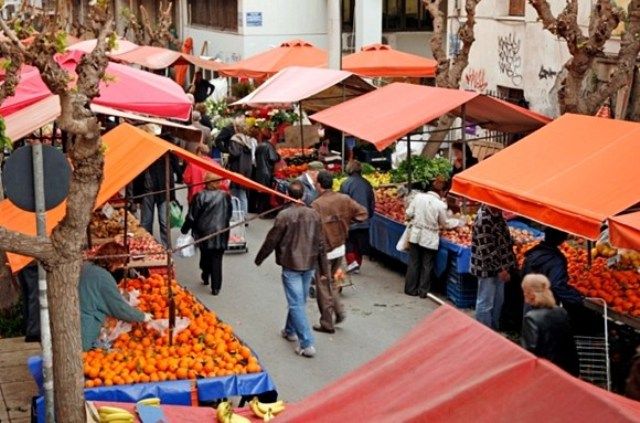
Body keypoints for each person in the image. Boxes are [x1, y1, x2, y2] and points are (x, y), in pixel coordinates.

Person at [254, 180, 330, 358]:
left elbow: (272, 240)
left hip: (291, 265)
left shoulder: (284, 215)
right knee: (298, 301)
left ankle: (307, 343)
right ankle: (290, 330)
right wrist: (324, 270)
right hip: (309, 263)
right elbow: (321, 244)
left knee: (296, 303)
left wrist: (260, 258)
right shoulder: (314, 214)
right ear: (303, 195)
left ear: (287, 195)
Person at [311, 170, 368, 333]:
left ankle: (327, 322)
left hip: (325, 252)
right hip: (340, 248)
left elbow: (312, 229)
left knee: (323, 286)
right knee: (331, 283)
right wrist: (347, 223)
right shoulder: (344, 199)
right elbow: (363, 213)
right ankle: (339, 311)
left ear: (319, 185)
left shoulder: (317, 204)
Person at [80, 242, 151, 351]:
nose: (119, 266)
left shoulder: (86, 266)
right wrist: (142, 316)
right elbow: (118, 307)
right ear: (113, 261)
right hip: (85, 327)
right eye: (119, 263)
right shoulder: (103, 277)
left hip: (75, 318)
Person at [522, 227, 587, 332]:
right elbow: (557, 285)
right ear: (562, 239)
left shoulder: (532, 254)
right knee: (545, 335)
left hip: (530, 302)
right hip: (546, 304)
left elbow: (523, 275)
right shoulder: (557, 260)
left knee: (531, 333)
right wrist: (577, 297)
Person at [181, 173, 232, 295]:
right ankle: (216, 287)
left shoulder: (200, 196)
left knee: (205, 255)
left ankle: (205, 274)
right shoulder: (225, 196)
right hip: (221, 231)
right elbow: (229, 213)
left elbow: (192, 217)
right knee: (217, 259)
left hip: (204, 232)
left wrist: (185, 229)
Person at [521, 274, 579, 376]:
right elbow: (570, 345)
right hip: (566, 371)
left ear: (531, 294)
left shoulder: (531, 318)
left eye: (525, 291)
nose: (524, 294)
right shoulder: (561, 312)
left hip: (545, 373)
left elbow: (530, 353)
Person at [470, 204, 515, 330]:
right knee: (485, 302)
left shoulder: (497, 214)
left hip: (500, 266)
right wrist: (500, 269)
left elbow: (502, 239)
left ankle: (493, 329)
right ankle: (483, 331)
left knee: (497, 301)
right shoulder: (483, 219)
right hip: (487, 268)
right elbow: (486, 249)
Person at [404, 181, 449, 298]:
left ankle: (410, 289)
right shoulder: (440, 205)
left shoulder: (418, 197)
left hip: (415, 234)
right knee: (427, 264)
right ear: (442, 192)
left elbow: (408, 213)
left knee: (414, 262)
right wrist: (456, 222)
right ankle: (423, 291)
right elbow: (444, 223)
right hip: (430, 237)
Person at [340, 160, 375, 274]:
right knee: (359, 244)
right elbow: (372, 202)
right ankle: (357, 265)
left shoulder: (345, 183)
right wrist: (368, 215)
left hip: (350, 219)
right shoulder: (367, 183)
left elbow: (342, 202)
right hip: (364, 219)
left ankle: (351, 263)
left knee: (349, 242)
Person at [227, 124, 255, 218]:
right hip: (246, 170)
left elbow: (235, 153)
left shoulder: (235, 139)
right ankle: (244, 216)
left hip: (237, 169)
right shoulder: (248, 140)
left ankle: (236, 216)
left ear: (236, 129)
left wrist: (228, 151)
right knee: (243, 194)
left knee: (234, 193)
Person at [254, 135, 280, 213]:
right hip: (266, 172)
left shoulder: (259, 146)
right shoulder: (269, 146)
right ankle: (264, 212)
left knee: (261, 193)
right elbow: (274, 158)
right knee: (266, 193)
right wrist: (278, 155)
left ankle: (260, 210)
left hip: (259, 171)